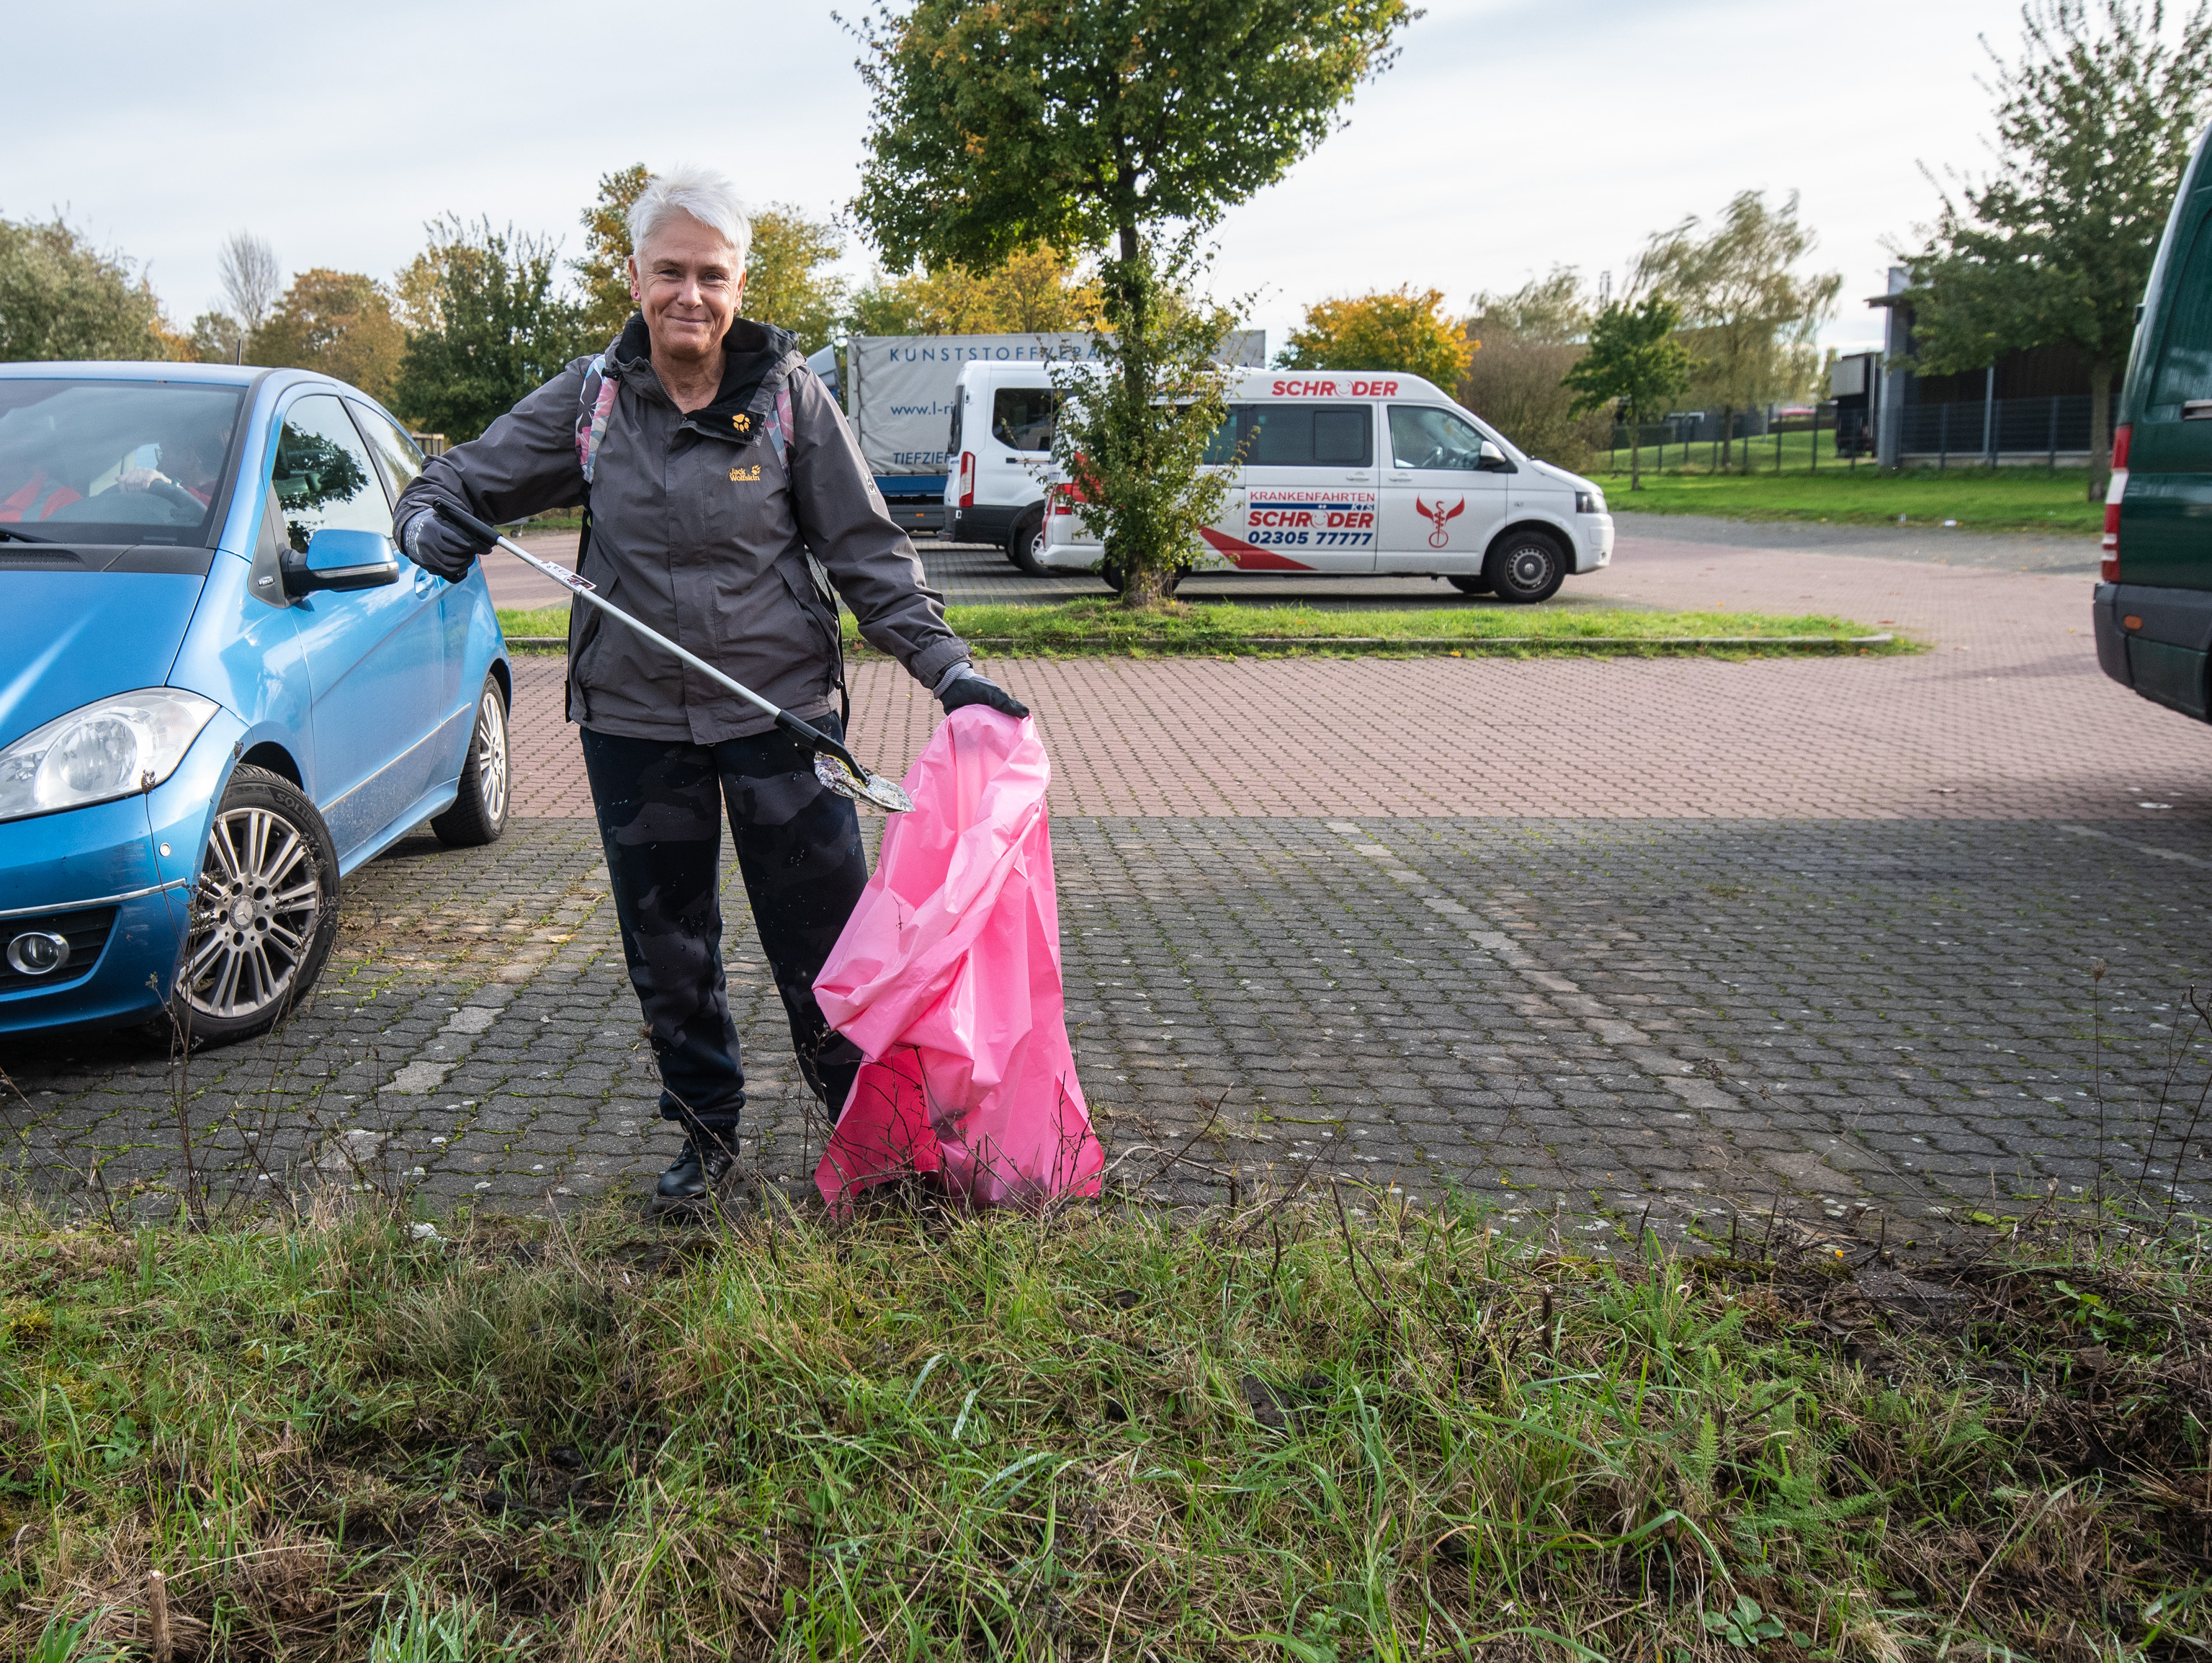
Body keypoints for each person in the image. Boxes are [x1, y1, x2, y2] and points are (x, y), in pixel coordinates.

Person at [390, 166, 1027, 1205]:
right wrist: (427, 526)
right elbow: (453, 484)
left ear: (741, 284)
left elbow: (869, 553)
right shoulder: (593, 402)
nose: (691, 295)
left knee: (826, 948)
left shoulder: (787, 398)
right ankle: (705, 1143)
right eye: (671, 272)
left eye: (713, 275)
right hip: (636, 723)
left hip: (783, 722)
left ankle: (873, 1144)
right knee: (670, 951)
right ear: (634, 275)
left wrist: (949, 670)